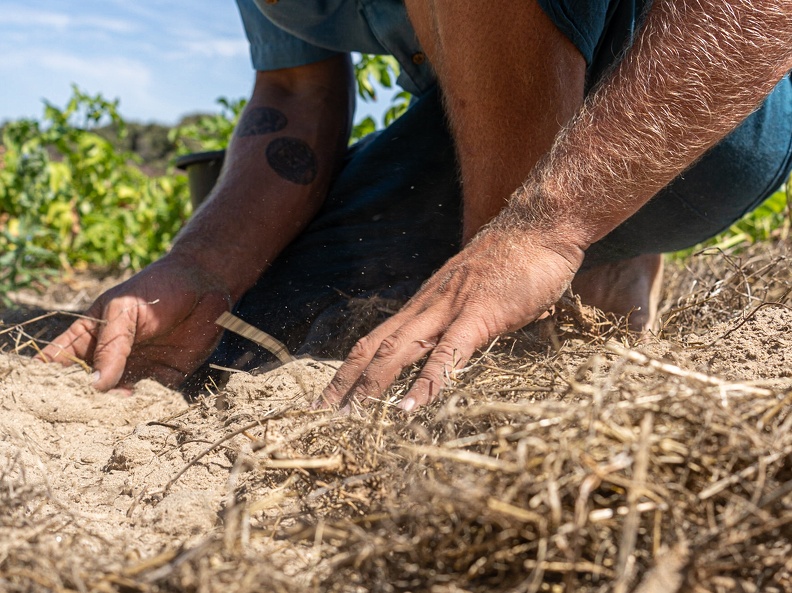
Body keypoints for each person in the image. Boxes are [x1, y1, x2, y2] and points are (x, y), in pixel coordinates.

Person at [41, 0, 792, 412]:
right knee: (251, 336)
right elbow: (295, 96)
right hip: (487, 123)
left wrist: (542, 228)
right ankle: (590, 255)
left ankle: (553, 285)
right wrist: (200, 263)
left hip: (694, 108)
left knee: (458, 369)